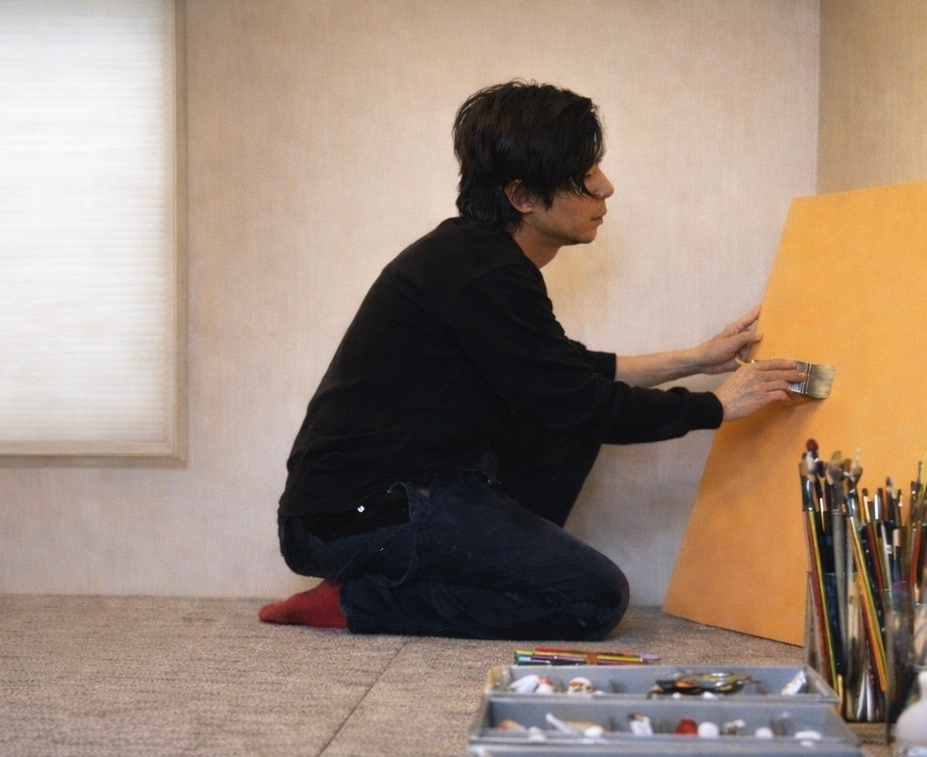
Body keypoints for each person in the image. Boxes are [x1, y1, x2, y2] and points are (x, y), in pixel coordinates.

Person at [261, 80, 803, 640]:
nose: (606, 187)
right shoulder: (483, 273)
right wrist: (717, 408)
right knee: (592, 598)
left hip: (405, 489)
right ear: (521, 196)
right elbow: (580, 401)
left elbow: (560, 372)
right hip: (352, 516)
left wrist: (698, 359)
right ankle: (359, 600)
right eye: (584, 175)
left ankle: (498, 568)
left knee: (562, 426)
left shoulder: (477, 257)